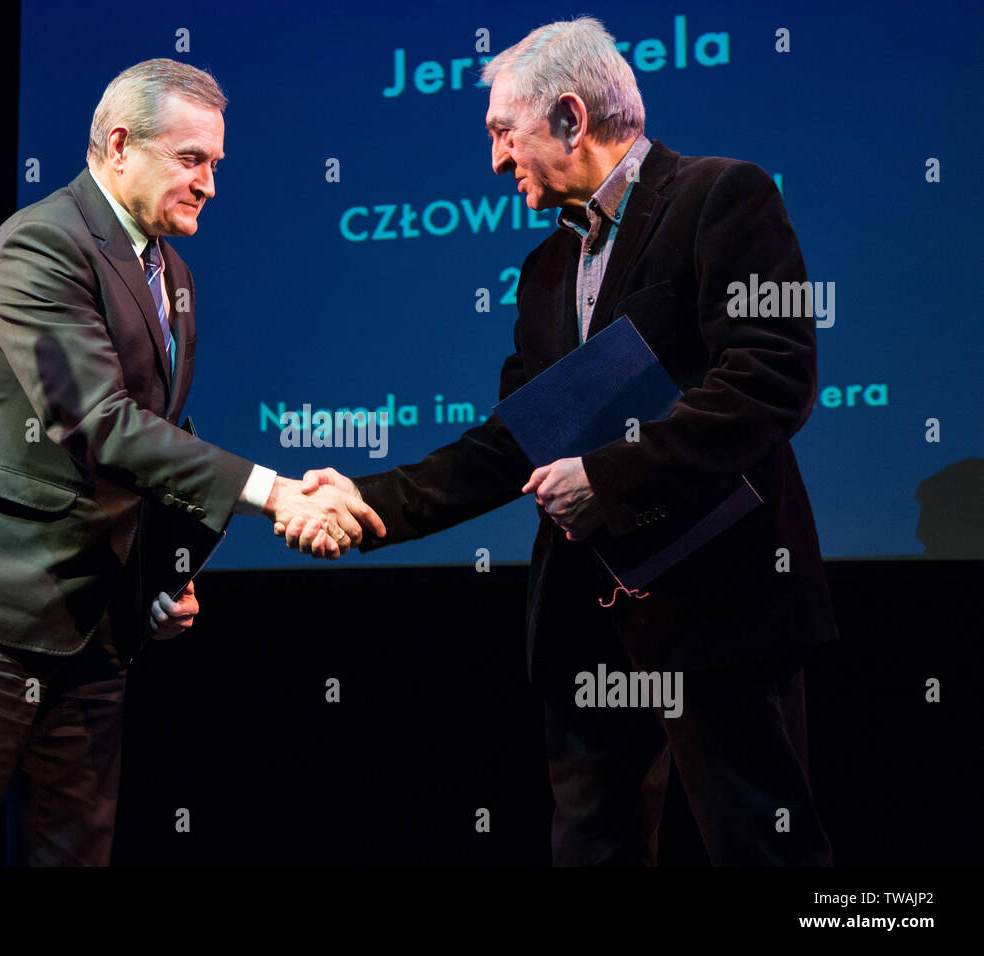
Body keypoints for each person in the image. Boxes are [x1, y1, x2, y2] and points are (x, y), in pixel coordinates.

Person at [282, 18, 837, 866]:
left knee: (761, 849)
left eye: (504, 133)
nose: (495, 161)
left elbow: (771, 380)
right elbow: (512, 444)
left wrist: (610, 479)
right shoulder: (545, 271)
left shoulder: (722, 196)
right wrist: (372, 501)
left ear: (571, 118)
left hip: (717, 610)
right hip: (590, 624)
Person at [0, 58, 383, 866]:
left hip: (90, 630)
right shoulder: (40, 244)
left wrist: (153, 586)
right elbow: (99, 424)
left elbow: (154, 441)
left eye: (215, 162)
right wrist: (276, 491)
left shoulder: (167, 271)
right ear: (118, 146)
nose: (210, 182)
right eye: (191, 159)